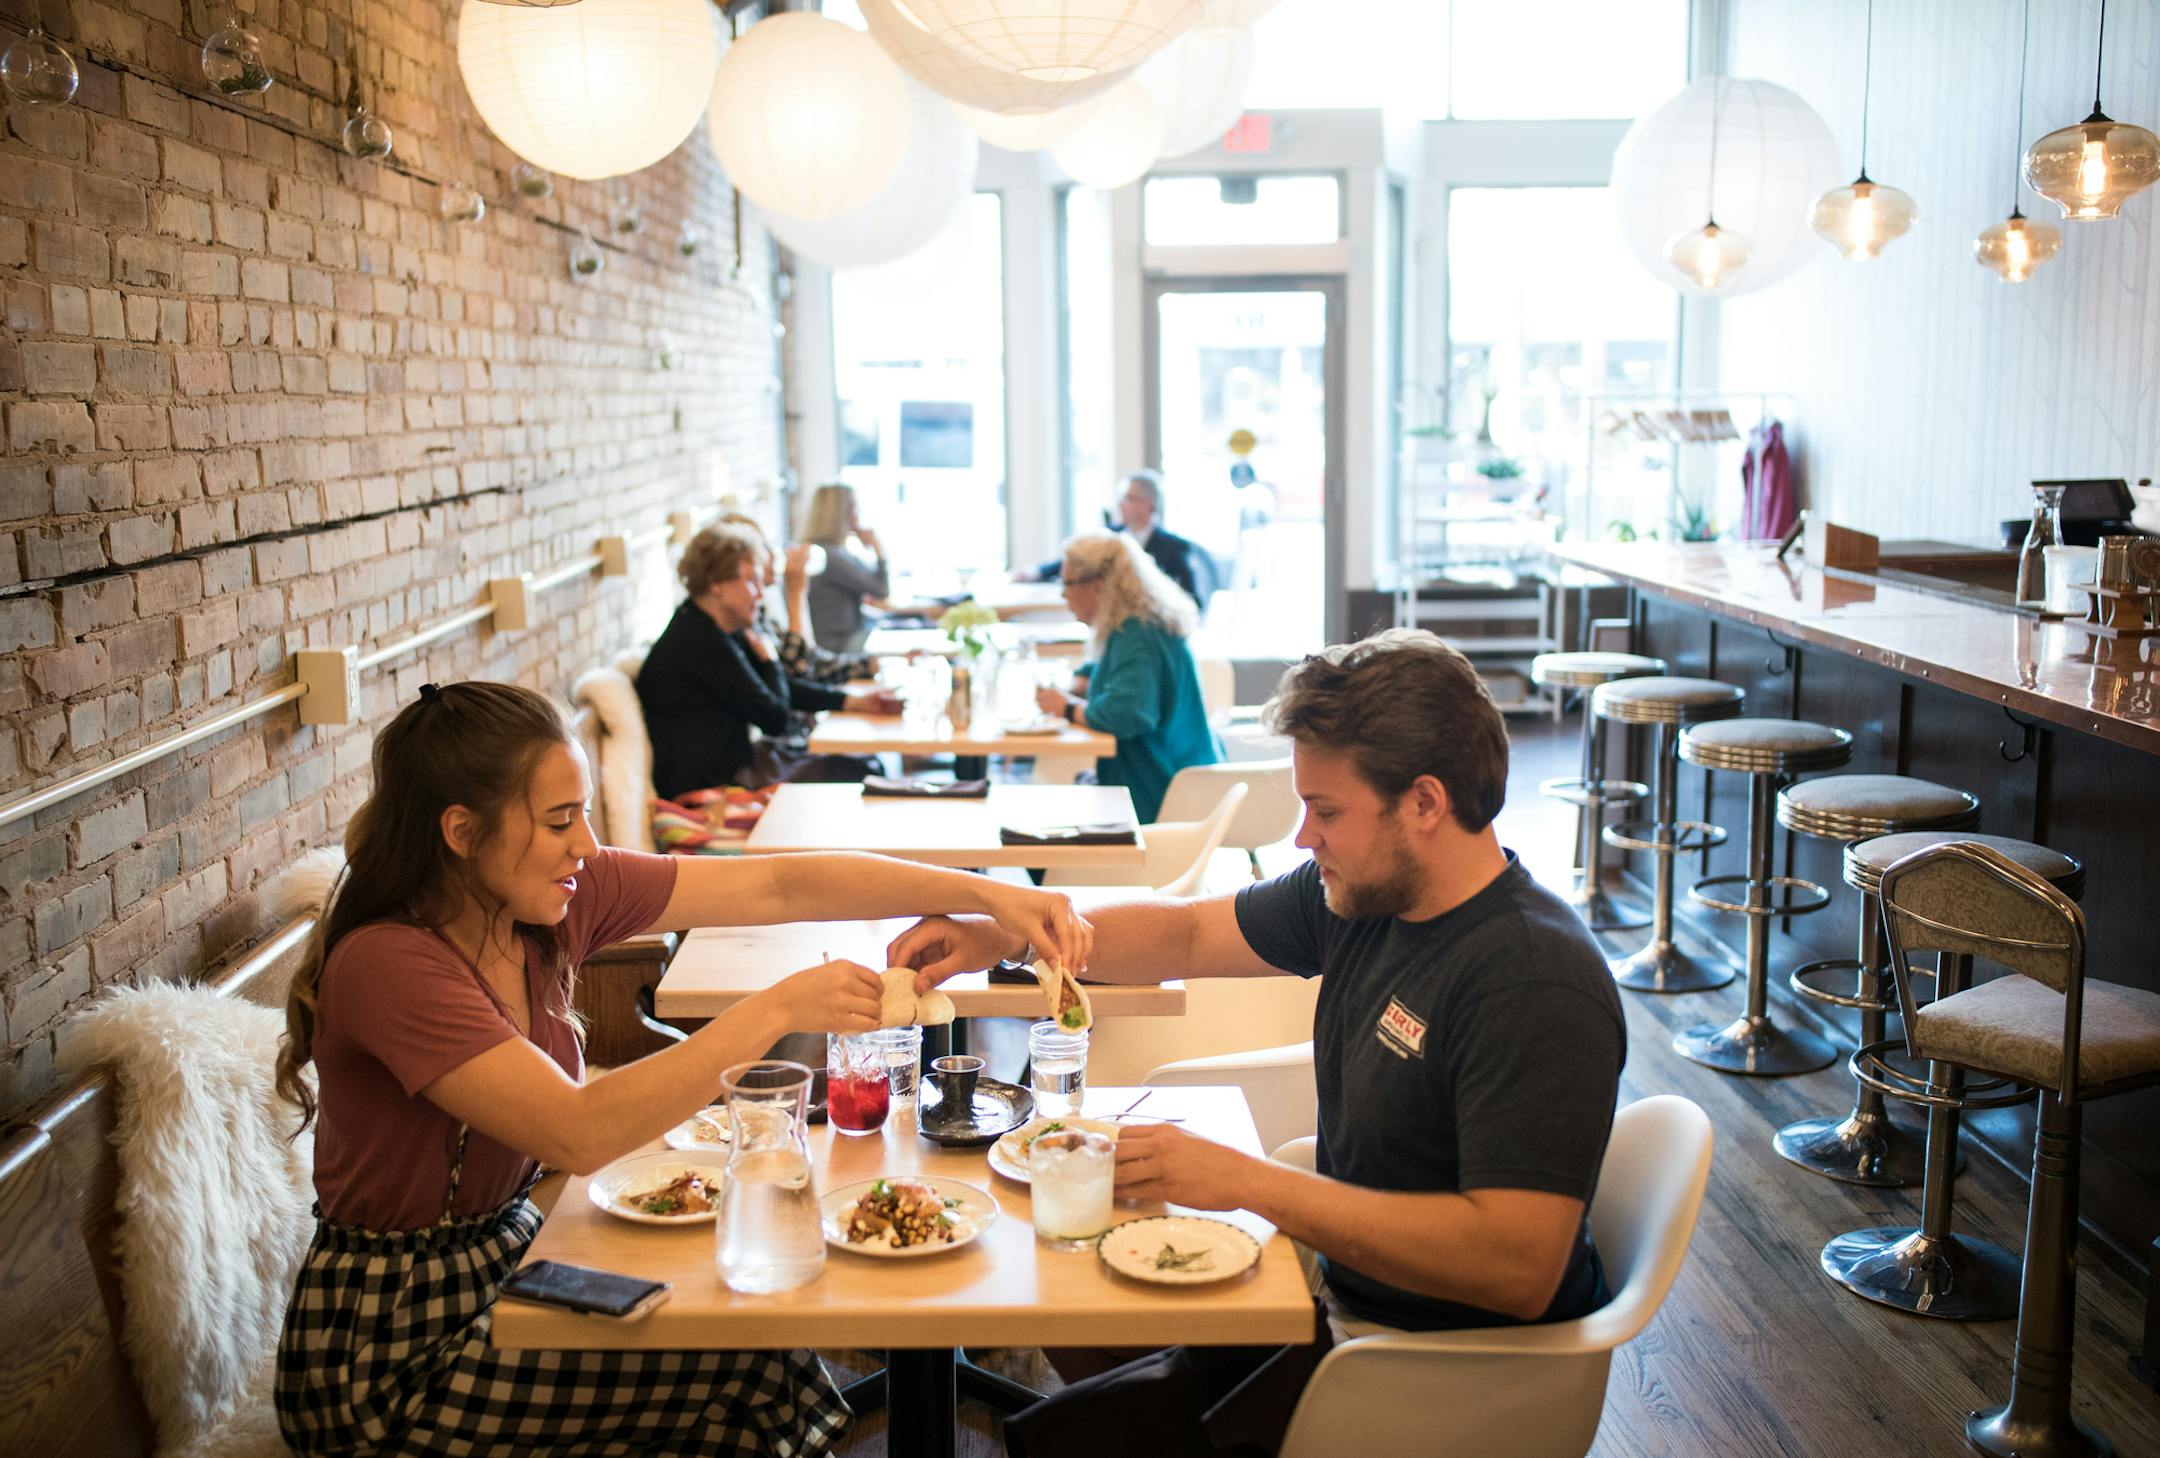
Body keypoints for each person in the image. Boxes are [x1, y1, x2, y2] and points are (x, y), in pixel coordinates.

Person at [272, 679, 1091, 1457]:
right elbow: (578, 1130)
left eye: (585, 814)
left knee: (747, 1341)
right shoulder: (390, 965)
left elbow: (779, 883)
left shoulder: (549, 900)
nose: (586, 846)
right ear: (460, 831)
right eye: (560, 821)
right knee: (744, 1367)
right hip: (390, 1350)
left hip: (516, 1259)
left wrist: (986, 898)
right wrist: (773, 1010)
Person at [890, 630, 1626, 1458]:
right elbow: (1191, 934)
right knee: (1072, 1301)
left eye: (1327, 811)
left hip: (1433, 1368)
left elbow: (1516, 1268)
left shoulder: (1531, 980)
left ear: (1425, 802)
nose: (1303, 836)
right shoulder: (1364, 897)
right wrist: (1010, 937)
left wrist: (1247, 1180)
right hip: (1339, 1299)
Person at [637, 524, 899, 797]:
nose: (761, 594)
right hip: (714, 787)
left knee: (865, 767)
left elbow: (778, 688)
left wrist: (850, 700)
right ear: (716, 582)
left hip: (740, 767)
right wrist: (770, 661)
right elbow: (775, 717)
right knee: (862, 773)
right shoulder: (698, 642)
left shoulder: (714, 628)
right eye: (752, 581)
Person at [1033, 532, 1219, 823]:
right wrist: (1083, 682)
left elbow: (1125, 714)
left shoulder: (1137, 634)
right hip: (1179, 775)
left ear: (1097, 586)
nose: (1062, 594)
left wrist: (1066, 707)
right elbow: (1118, 673)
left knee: (1037, 829)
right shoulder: (1140, 624)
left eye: (1067, 583)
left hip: (1158, 791)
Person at [719, 511, 874, 686]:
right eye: (763, 547)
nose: (771, 553)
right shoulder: (742, 620)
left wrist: (870, 665)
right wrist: (795, 594)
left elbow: (811, 660)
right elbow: (801, 672)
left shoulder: (760, 611)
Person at [1018, 469, 1201, 606]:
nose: (1121, 504)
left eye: (1129, 498)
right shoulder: (1109, 535)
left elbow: (1190, 599)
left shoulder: (1174, 546)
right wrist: (1037, 571)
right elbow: (1077, 561)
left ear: (1148, 504)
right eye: (1121, 498)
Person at [800, 483, 890, 654]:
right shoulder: (829, 557)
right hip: (839, 645)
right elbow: (881, 589)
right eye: (854, 509)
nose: (858, 516)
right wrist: (878, 548)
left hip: (844, 638)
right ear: (840, 514)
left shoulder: (832, 552)